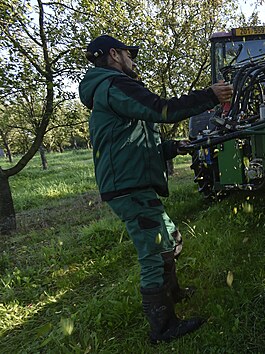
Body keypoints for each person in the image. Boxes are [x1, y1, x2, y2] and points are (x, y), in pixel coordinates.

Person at [78, 35, 232, 344]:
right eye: (128, 54)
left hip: (133, 182)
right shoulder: (115, 84)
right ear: (114, 54)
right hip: (128, 187)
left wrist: (174, 146)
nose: (132, 60)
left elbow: (135, 141)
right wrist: (210, 96)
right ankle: (162, 328)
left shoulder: (108, 90)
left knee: (170, 239)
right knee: (151, 253)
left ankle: (173, 294)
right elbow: (162, 109)